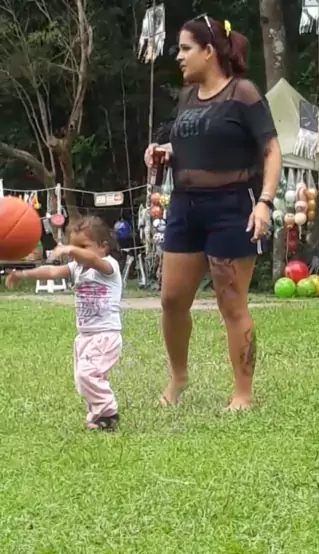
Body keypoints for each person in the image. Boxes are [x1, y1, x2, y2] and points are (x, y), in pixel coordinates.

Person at [144, 15, 282, 411]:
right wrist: (164, 152)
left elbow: (272, 150)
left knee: (231, 303)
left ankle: (243, 394)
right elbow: (194, 143)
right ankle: (178, 377)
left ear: (209, 51)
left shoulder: (243, 93)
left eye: (186, 48)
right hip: (185, 207)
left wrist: (265, 202)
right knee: (172, 300)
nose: (179, 56)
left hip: (231, 206)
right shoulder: (187, 97)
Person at [6, 216, 123, 432]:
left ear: (103, 246)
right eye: (73, 246)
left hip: (105, 335)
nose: (76, 252)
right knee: (84, 380)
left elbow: (92, 259)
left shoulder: (108, 267)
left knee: (87, 375)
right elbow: (51, 272)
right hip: (85, 337)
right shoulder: (77, 268)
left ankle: (109, 414)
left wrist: (70, 249)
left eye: (83, 246)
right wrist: (23, 273)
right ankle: (97, 415)